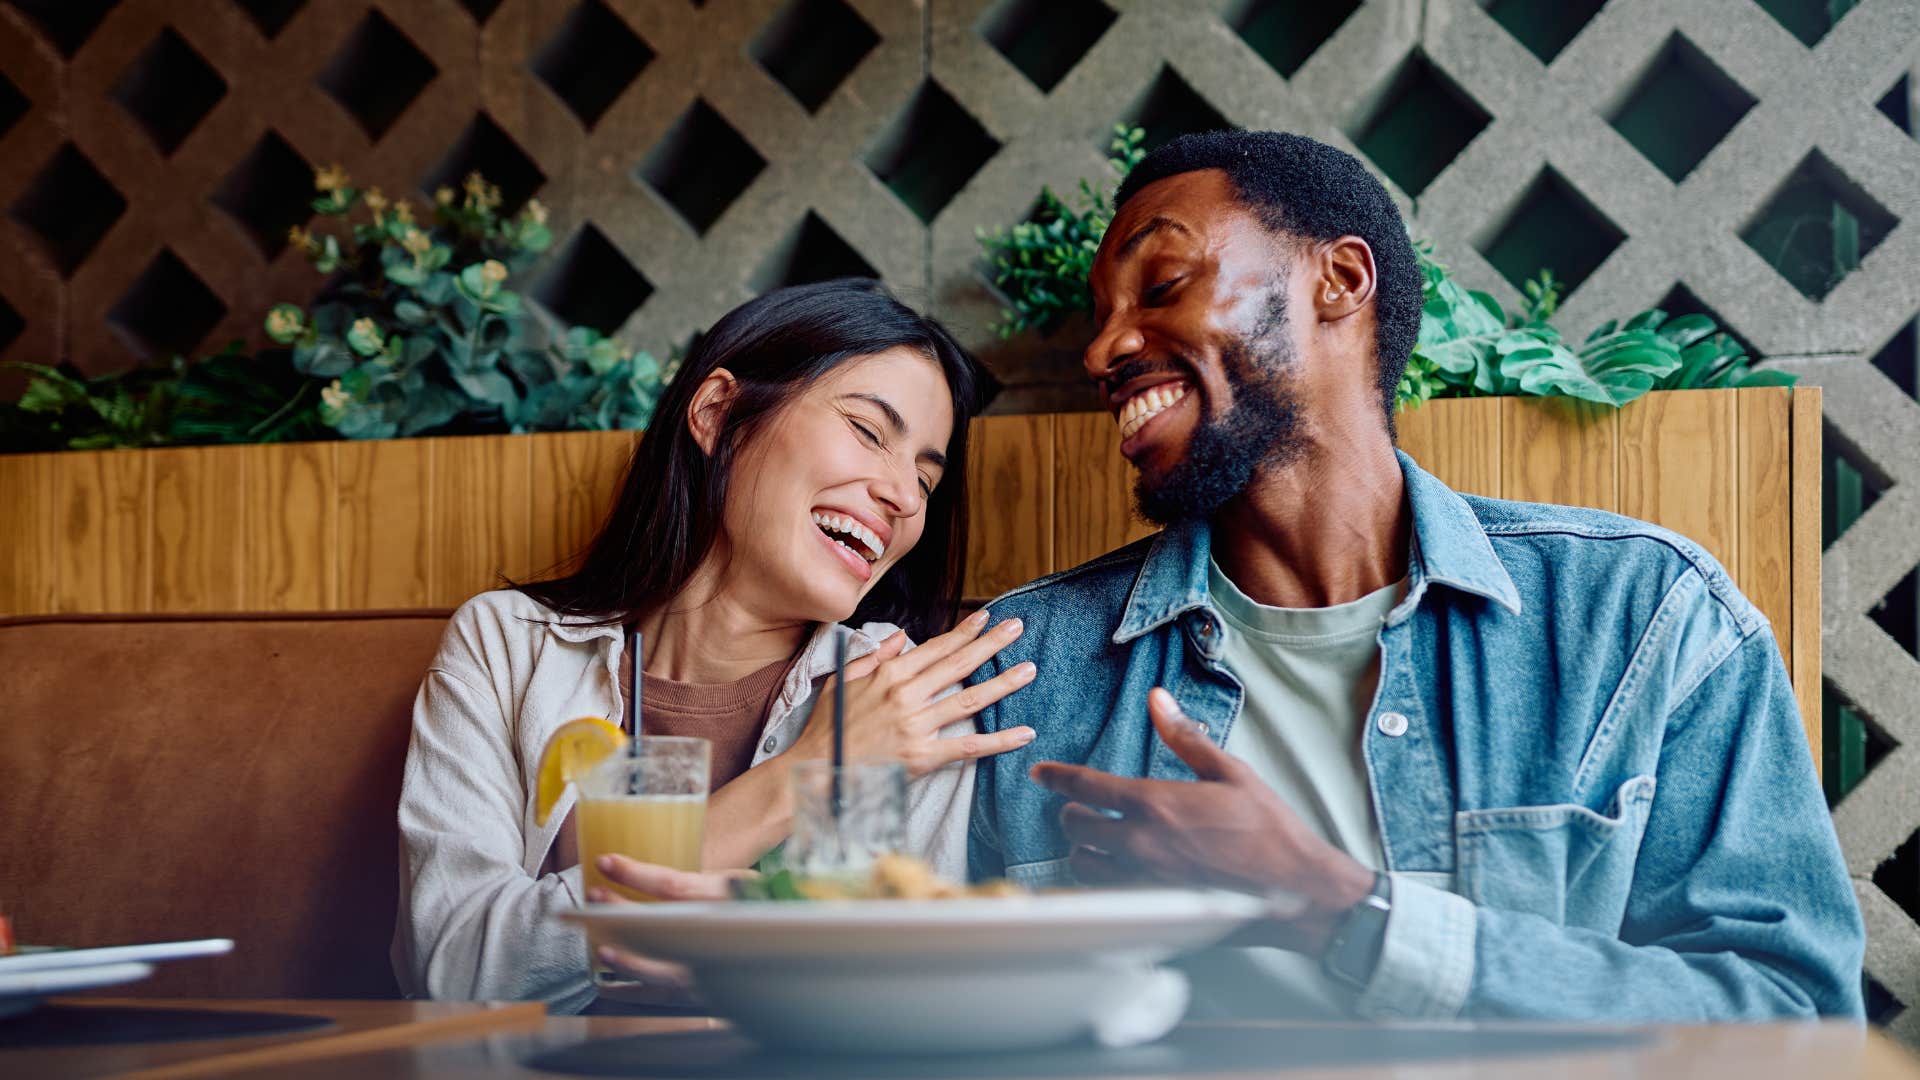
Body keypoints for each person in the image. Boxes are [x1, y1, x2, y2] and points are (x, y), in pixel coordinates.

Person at [963, 130, 1865, 1021]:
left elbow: (1794, 1015)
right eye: (1101, 318)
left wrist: (1341, 912)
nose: (1102, 352)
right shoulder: (1023, 670)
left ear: (1340, 280)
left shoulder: (1643, 618)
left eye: (1162, 286)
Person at [392, 279, 1038, 1012]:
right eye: (867, 430)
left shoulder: (902, 692)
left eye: (925, 477)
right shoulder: (508, 647)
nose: (905, 497)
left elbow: (902, 996)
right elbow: (451, 970)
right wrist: (803, 776)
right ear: (718, 413)